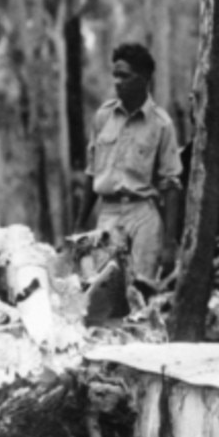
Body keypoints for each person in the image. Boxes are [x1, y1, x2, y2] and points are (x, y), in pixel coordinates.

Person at [77, 43, 183, 285]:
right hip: (108, 213)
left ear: (144, 78)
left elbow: (171, 185)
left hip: (143, 214)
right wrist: (80, 224)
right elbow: (92, 172)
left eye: (125, 75)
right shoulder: (103, 117)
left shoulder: (161, 124)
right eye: (115, 75)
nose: (117, 81)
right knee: (103, 289)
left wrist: (169, 243)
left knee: (142, 289)